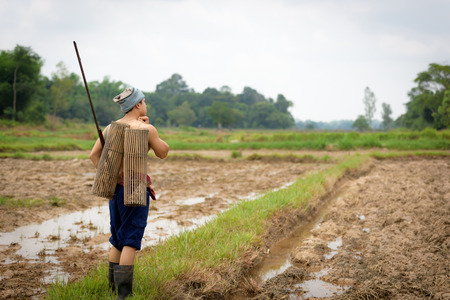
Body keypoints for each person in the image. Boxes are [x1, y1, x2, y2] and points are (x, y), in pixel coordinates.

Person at [89, 87, 169, 299]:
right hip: (135, 190)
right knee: (130, 240)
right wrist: (151, 130)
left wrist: (113, 176)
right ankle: (124, 295)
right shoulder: (146, 128)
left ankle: (112, 289)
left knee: (117, 237)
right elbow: (163, 152)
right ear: (138, 105)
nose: (145, 104)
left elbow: (93, 155)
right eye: (144, 101)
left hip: (115, 189)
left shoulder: (109, 128)